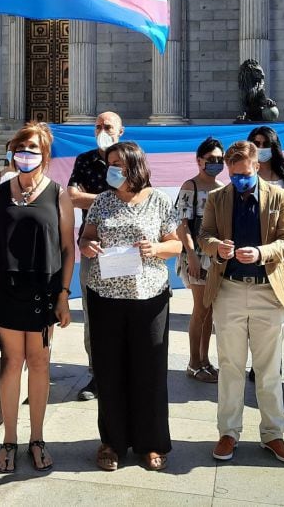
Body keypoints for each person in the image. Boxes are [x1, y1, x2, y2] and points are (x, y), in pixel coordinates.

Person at [0, 123, 75, 473]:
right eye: (20, 147)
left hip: (42, 290)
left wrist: (63, 295)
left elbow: (68, 247)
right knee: (11, 362)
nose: (25, 153)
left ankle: (37, 438)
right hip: (4, 287)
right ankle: (9, 439)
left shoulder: (58, 193)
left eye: (32, 148)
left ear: (44, 154)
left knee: (39, 363)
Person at [78, 142, 180, 472]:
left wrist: (157, 247)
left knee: (149, 371)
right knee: (109, 371)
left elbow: (176, 244)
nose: (114, 169)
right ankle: (112, 443)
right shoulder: (102, 202)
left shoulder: (159, 201)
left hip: (149, 297)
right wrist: (89, 245)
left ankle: (151, 444)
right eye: (110, 164)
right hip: (105, 296)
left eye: (120, 164)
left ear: (136, 166)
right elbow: (85, 239)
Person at [199, 140, 284, 465]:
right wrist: (217, 247)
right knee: (230, 366)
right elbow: (204, 235)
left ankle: (273, 434)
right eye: (234, 174)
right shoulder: (218, 197)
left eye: (244, 173)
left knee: (268, 368)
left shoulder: (279, 196)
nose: (239, 179)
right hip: (228, 288)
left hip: (268, 290)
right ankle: (228, 432)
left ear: (257, 167)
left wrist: (260, 253)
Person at [66, 110, 124, 401]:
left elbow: (140, 196)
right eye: (99, 126)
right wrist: (111, 198)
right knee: (94, 314)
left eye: (108, 126)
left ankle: (125, 373)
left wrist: (94, 199)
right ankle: (97, 374)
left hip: (125, 249)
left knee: (125, 312)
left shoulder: (132, 159)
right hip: (92, 245)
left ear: (120, 132)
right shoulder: (85, 160)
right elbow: (73, 197)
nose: (103, 129)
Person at [175, 136, 224, 384]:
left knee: (210, 311)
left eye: (219, 159)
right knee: (200, 309)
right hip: (196, 256)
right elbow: (181, 226)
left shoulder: (224, 188)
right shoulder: (190, 186)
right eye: (210, 159)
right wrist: (191, 254)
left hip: (217, 257)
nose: (215, 163)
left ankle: (205, 360)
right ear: (199, 161)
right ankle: (193, 363)